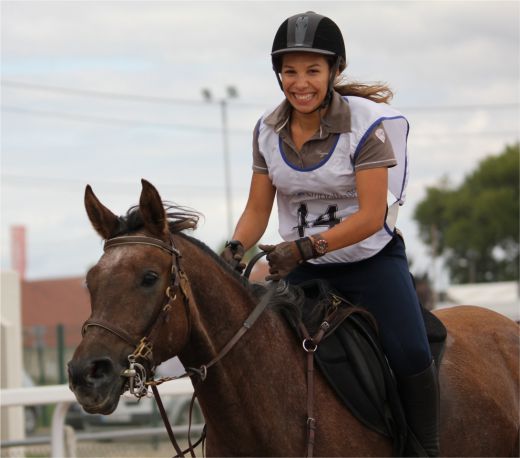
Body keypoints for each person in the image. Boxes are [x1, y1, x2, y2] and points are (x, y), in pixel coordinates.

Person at [221, 11, 439, 457]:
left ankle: (425, 450)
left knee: (412, 353)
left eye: (313, 71)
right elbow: (257, 209)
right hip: (302, 269)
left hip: (371, 263)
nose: (300, 83)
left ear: (335, 71)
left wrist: (302, 248)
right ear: (278, 74)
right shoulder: (266, 129)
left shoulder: (367, 125)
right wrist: (233, 251)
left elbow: (372, 216)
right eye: (290, 71)